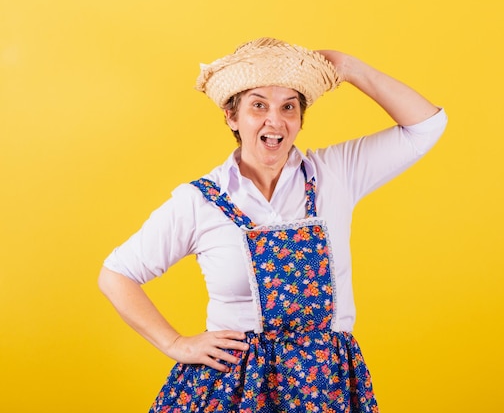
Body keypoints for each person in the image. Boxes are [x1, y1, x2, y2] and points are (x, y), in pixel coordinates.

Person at [99, 37, 447, 412]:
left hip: (323, 385)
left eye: (289, 107)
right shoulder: (199, 200)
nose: (275, 120)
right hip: (234, 387)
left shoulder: (336, 173)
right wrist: (175, 344)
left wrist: (348, 68)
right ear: (232, 117)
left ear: (299, 119)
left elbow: (426, 126)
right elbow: (116, 275)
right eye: (258, 105)